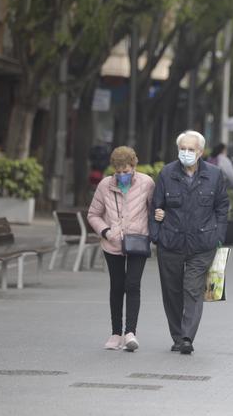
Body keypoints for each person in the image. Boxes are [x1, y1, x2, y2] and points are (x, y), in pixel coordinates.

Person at [150, 130, 229, 355]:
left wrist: (218, 236)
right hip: (171, 242)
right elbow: (155, 206)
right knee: (172, 291)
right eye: (182, 148)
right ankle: (177, 335)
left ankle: (186, 337)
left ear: (201, 152)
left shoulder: (214, 175)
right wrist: (156, 235)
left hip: (202, 243)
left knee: (192, 289)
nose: (186, 153)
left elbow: (222, 207)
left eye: (190, 149)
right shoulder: (167, 173)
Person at [87, 146, 155, 352]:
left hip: (138, 242)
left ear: (134, 166)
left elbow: (154, 211)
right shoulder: (105, 185)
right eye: (118, 172)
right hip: (112, 243)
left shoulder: (147, 183)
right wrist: (106, 232)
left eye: (126, 171)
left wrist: (151, 232)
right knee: (117, 286)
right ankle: (116, 333)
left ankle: (130, 333)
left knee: (133, 285)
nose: (122, 175)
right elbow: (93, 214)